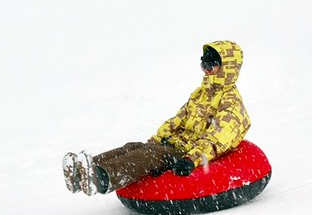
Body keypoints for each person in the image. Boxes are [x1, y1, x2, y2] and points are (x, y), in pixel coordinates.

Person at [62, 40, 251, 196]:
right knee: (135, 147)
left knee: (150, 155)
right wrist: (156, 140)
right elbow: (178, 120)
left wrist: (191, 159)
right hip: (175, 144)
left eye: (211, 65)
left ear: (227, 68)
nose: (206, 70)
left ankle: (100, 179)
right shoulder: (201, 94)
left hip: (187, 152)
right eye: (204, 64)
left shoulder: (231, 103)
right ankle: (84, 172)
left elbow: (217, 139)